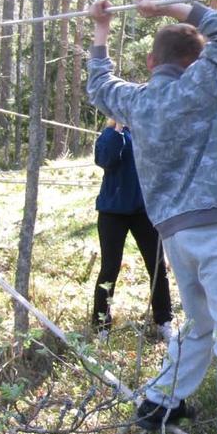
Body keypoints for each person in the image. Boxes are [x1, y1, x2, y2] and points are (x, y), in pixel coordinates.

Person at [86, 0, 217, 434]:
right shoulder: (202, 84)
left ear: (151, 62)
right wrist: (172, 8)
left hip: (173, 236)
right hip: (212, 230)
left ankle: (161, 400)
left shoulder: (135, 100)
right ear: (196, 61)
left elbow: (98, 84)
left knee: (201, 323)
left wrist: (101, 31)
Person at [91, 119, 173, 344]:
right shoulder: (109, 134)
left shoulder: (148, 131)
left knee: (156, 266)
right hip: (112, 212)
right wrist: (116, 128)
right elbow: (104, 159)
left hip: (143, 212)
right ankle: (101, 325)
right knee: (109, 268)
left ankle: (164, 320)